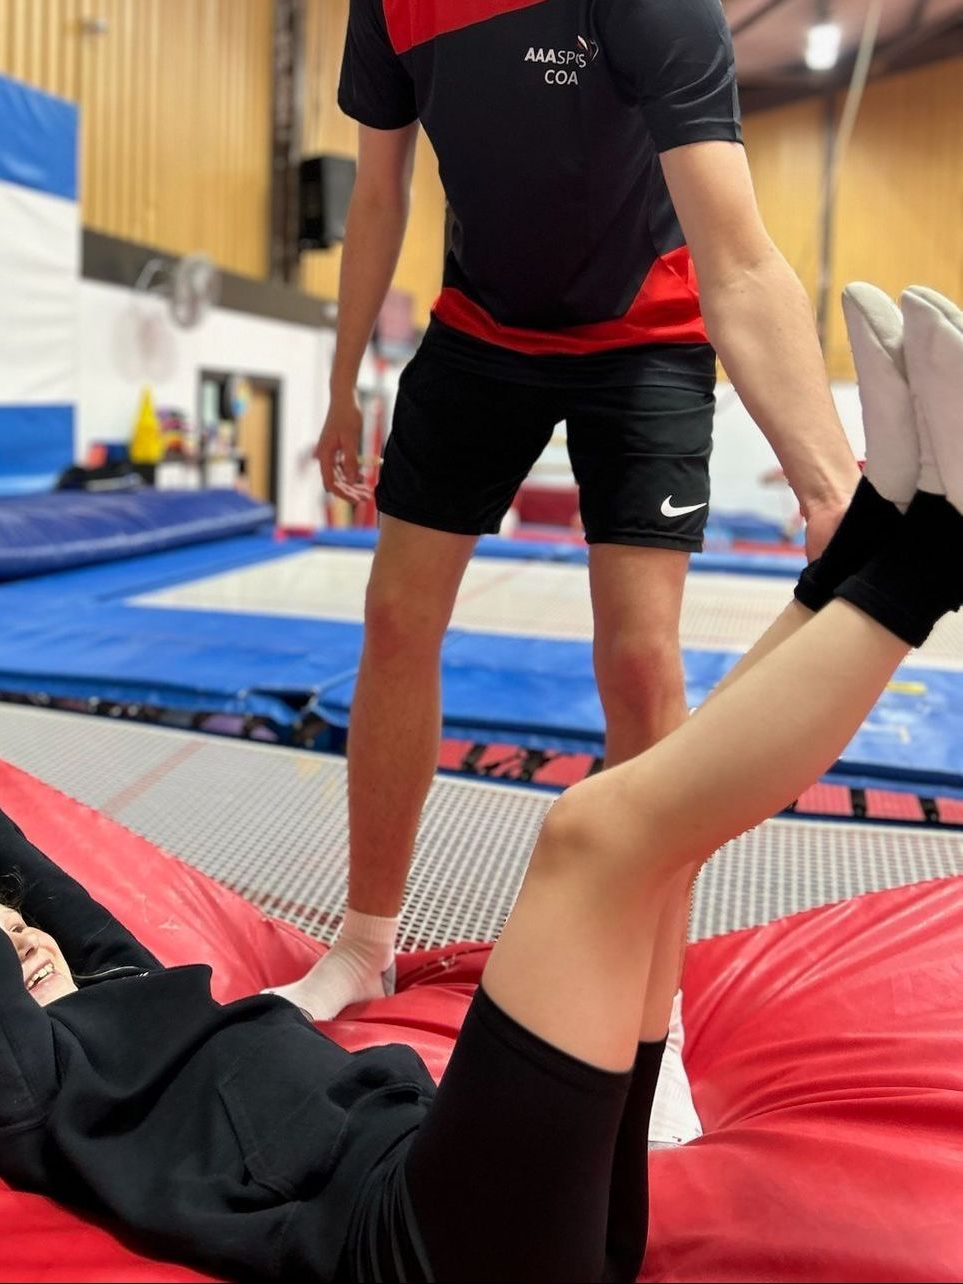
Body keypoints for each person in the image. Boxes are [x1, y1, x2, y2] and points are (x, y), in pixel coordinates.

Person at [0, 284, 961, 1284]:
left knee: (657, 846)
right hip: (426, 1243)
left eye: (15, 932)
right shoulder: (29, 1096)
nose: (27, 946)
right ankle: (938, 558)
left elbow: (14, 876)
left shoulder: (113, 988)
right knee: (596, 838)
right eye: (4, 963)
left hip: (516, 1204)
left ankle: (875, 535)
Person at [284, 0, 866, 1145]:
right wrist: (345, 375)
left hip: (645, 337)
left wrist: (828, 485)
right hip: (478, 332)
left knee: (641, 660)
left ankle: (658, 1017)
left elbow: (738, 260)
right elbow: (381, 194)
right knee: (395, 618)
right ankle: (363, 942)